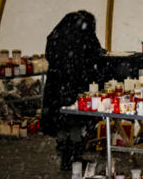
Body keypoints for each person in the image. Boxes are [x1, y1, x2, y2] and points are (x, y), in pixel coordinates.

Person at [40, 10, 105, 170]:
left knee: (62, 121)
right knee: (76, 120)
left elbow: (51, 54)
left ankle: (64, 157)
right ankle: (75, 158)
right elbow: (94, 53)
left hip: (57, 85)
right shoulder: (84, 32)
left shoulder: (58, 33)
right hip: (74, 84)